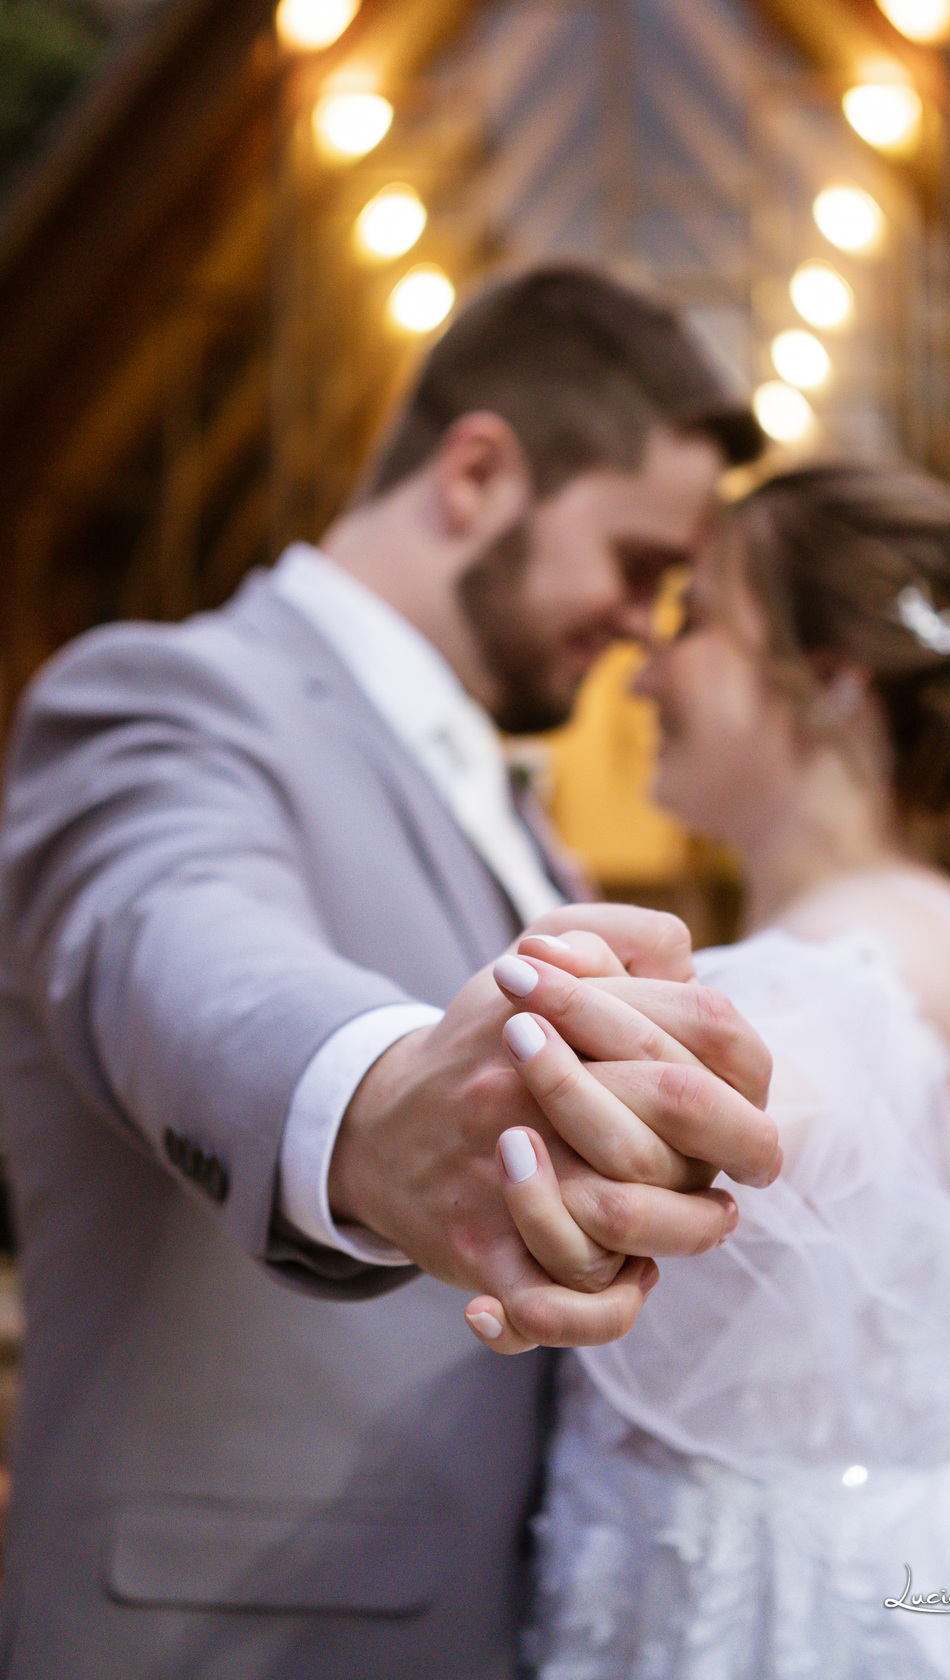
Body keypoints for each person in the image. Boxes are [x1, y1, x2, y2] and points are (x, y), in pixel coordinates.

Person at [0, 264, 782, 1679]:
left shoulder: (524, 818)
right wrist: (370, 1096)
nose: (642, 625)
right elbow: (172, 937)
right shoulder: (168, 696)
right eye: (638, 564)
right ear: (478, 473)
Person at [509, 462, 950, 1676]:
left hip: (794, 1625)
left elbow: (791, 1086)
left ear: (836, 682)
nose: (646, 665)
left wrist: (649, 1088)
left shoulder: (851, 967)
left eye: (697, 621)